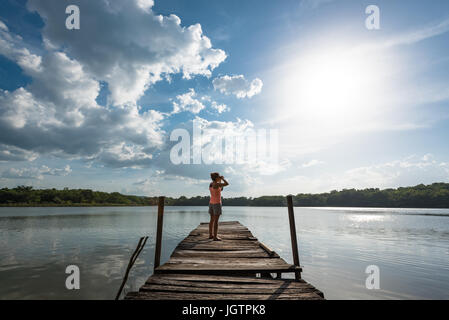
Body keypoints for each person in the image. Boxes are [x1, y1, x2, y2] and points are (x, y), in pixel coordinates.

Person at [208, 172, 229, 241]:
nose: (220, 177)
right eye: (218, 176)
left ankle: (211, 235)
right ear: (216, 177)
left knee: (212, 220)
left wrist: (219, 180)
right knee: (216, 221)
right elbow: (227, 184)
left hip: (211, 203)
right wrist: (223, 179)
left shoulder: (211, 184)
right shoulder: (217, 184)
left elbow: (221, 189)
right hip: (217, 203)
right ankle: (215, 237)